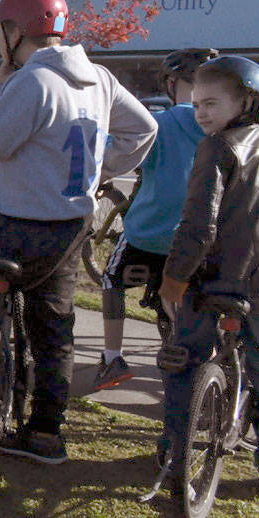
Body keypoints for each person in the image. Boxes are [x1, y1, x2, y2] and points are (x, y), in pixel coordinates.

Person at [0, 0, 155, 464]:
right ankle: (46, 433)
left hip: (21, 224)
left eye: (0, 30)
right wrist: (98, 171)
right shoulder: (99, 78)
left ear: (15, 32)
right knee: (53, 328)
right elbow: (144, 129)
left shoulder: (31, 82)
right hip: (73, 224)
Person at [157, 56, 259, 498]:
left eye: (212, 103)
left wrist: (174, 280)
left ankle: (175, 454)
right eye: (196, 104)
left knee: (184, 359)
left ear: (248, 101)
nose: (201, 113)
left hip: (220, 276)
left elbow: (199, 226)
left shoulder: (216, 147)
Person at [91, 49, 215, 390]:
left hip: (150, 234)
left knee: (112, 281)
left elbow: (119, 154)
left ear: (173, 84)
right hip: (204, 236)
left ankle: (112, 357)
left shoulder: (158, 123)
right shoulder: (221, 127)